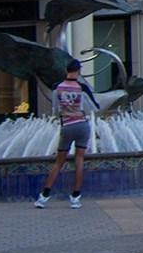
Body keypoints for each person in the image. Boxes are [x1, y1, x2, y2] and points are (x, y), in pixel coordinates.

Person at [35, 59, 100, 209]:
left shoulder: (57, 87)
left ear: (66, 70)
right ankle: (75, 198)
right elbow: (94, 106)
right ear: (78, 71)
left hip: (67, 126)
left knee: (59, 162)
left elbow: (54, 108)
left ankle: (43, 197)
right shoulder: (82, 87)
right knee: (79, 160)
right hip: (82, 126)